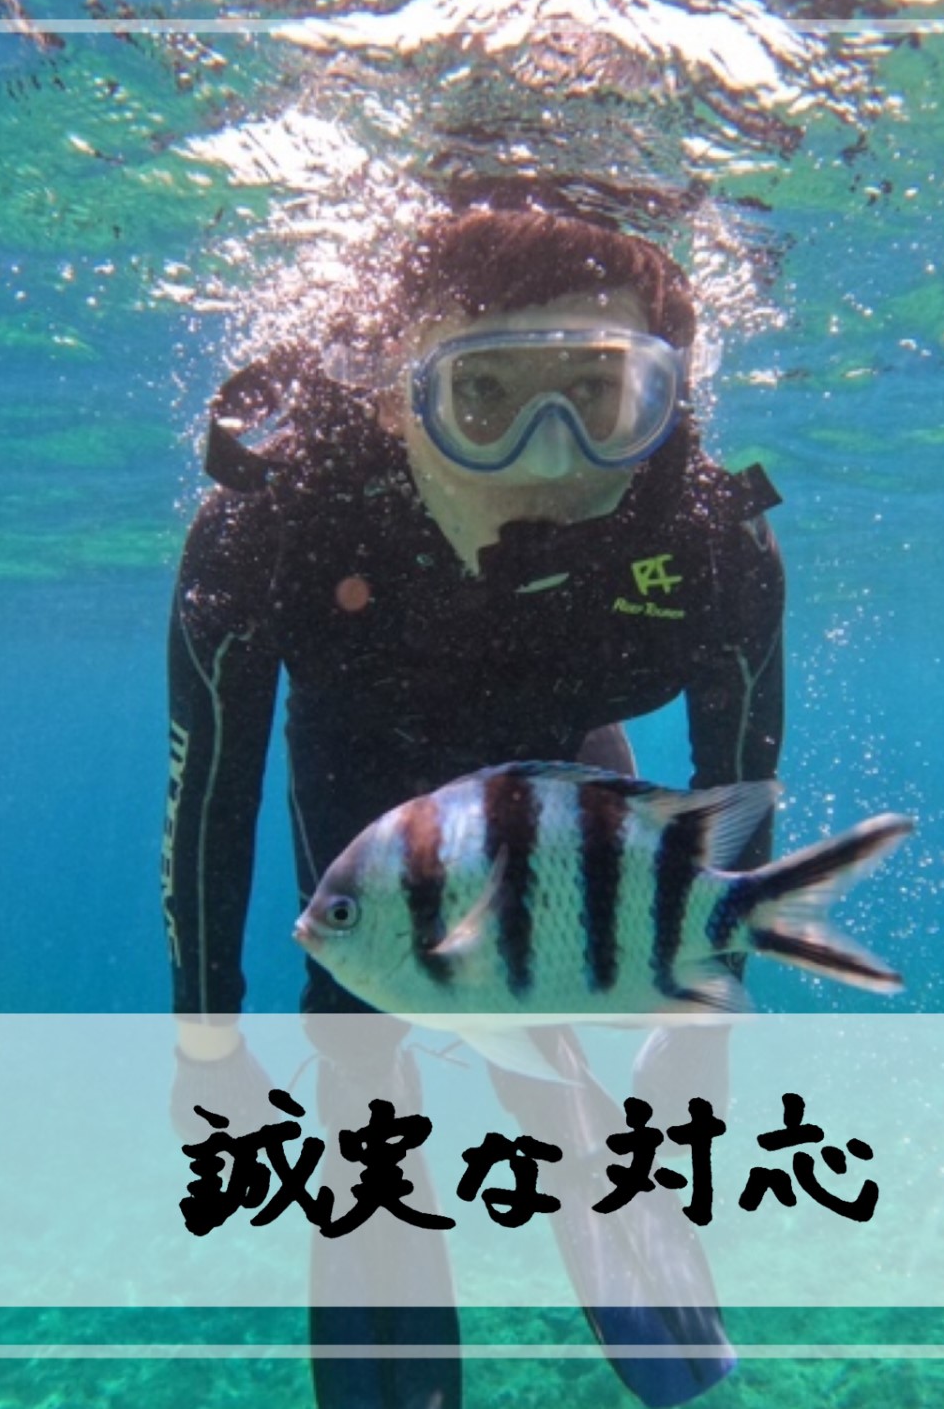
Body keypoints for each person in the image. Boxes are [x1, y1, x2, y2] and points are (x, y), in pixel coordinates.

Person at [161, 205, 786, 1409]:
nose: (549, 463)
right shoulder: (276, 524)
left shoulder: (711, 541)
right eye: (485, 395)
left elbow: (737, 796)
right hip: (363, 755)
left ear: (665, 403)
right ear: (395, 396)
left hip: (560, 768)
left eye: (599, 397)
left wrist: (704, 1011)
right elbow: (209, 799)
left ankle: (559, 1083)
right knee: (359, 1043)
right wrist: (204, 1039)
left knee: (539, 1018)